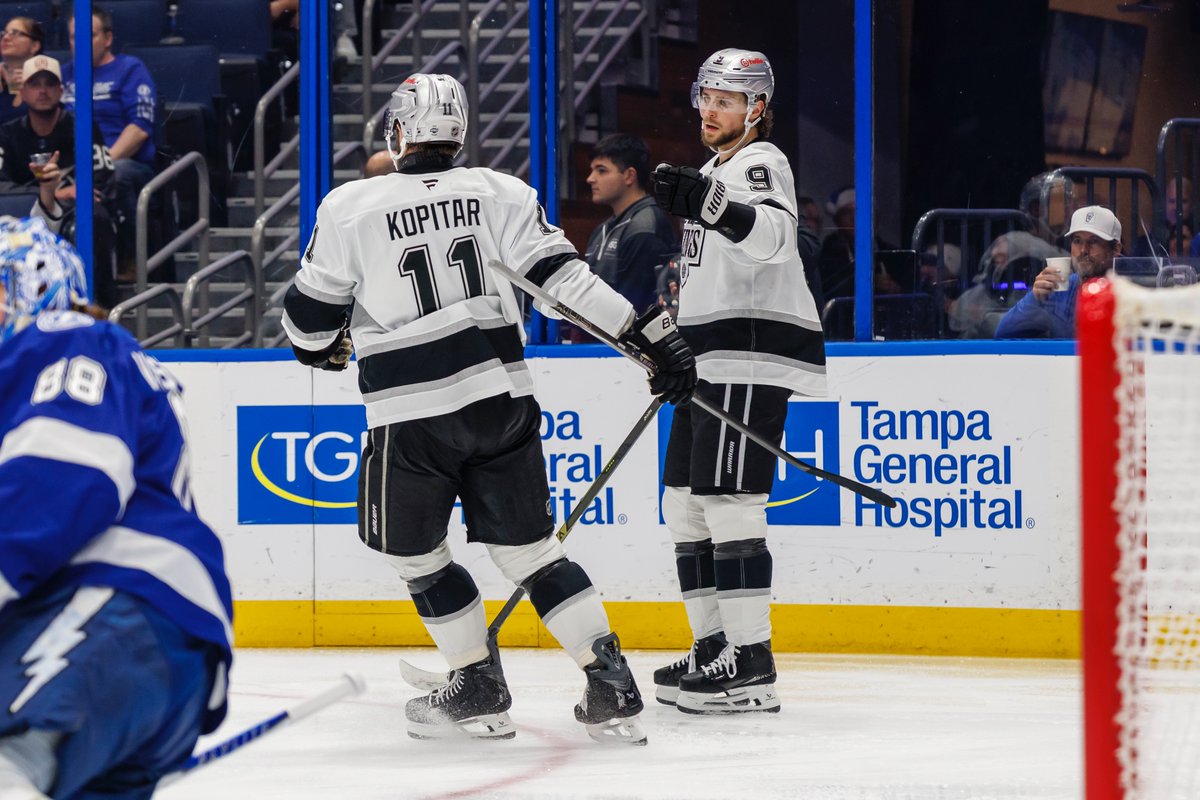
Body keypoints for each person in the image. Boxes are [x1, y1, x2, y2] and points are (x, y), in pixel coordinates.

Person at [282, 73, 697, 745]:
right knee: (532, 552)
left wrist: (327, 347)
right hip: (501, 400)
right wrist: (651, 340)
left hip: (411, 413)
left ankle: (475, 682)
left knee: (414, 554)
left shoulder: (350, 206)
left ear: (399, 132)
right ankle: (611, 682)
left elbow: (307, 326)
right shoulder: (501, 192)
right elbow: (567, 285)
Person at [0, 217, 233, 798]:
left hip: (118, 603)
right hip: (129, 634)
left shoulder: (66, 336)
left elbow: (63, 483)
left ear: (35, 286)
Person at [649, 48, 826, 714]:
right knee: (684, 505)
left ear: (756, 109)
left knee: (729, 504)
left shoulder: (761, 161)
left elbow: (772, 239)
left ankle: (752, 663)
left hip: (748, 354)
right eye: (706, 97)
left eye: (726, 100)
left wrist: (711, 203)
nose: (710, 110)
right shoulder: (712, 171)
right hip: (707, 360)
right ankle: (714, 646)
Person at [0, 54, 119, 308]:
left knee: (94, 216)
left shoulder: (82, 128)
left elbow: (103, 179)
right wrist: (53, 192)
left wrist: (67, 196)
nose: (43, 91)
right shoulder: (7, 133)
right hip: (21, 214)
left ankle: (100, 305)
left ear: (61, 91)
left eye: (50, 83)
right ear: (23, 91)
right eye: (35, 84)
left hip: (71, 213)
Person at [64, 8, 158, 279]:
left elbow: (139, 129)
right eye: (74, 37)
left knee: (118, 174)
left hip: (124, 162)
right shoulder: (62, 75)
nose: (80, 43)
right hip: (74, 167)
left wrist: (101, 164)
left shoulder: (129, 69)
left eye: (89, 35)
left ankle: (130, 257)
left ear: (107, 38)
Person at [582, 133, 678, 315]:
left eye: (601, 170)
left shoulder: (645, 229)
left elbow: (631, 310)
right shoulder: (603, 230)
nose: (590, 178)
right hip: (600, 330)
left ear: (629, 176)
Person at [995, 205, 1122, 339]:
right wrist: (1035, 298)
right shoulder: (1059, 288)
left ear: (1116, 249)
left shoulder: (1128, 292)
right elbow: (1004, 333)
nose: (1083, 250)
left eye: (1094, 241)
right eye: (1077, 241)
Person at [946, 231, 1062, 339]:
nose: (997, 267)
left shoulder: (1031, 287)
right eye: (996, 261)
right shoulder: (989, 289)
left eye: (1002, 259)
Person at [0, 16, 44, 126]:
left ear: (34, 46)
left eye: (15, 33)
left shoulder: (47, 81)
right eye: (4, 33)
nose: (5, 38)